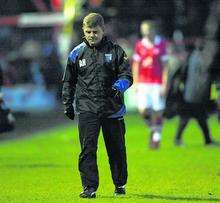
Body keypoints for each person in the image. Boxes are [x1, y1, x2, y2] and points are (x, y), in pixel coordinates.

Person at [62, 13, 133, 198]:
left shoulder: (117, 51)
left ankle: (120, 184)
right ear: (83, 31)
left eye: (95, 31)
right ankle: (89, 187)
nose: (92, 35)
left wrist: (119, 86)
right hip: (87, 109)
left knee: (116, 149)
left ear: (103, 30)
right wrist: (67, 103)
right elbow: (68, 81)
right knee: (87, 149)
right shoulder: (76, 53)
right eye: (88, 32)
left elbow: (127, 76)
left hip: (112, 109)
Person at [173, 38, 217, 146]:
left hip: (193, 93)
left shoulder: (194, 57)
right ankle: (207, 140)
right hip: (194, 93)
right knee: (195, 117)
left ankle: (179, 139)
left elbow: (183, 73)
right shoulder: (201, 58)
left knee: (192, 117)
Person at [132, 20, 167, 149]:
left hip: (157, 83)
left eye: (147, 29)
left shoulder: (161, 43)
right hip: (143, 83)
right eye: (143, 30)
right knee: (143, 110)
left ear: (153, 30)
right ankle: (154, 129)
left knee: (158, 111)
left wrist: (164, 83)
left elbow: (165, 66)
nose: (145, 32)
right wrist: (135, 82)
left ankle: (156, 136)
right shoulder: (140, 45)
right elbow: (136, 65)